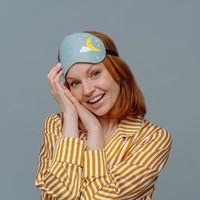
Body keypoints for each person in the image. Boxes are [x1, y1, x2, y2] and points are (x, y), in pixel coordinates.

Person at [34, 31, 173, 200]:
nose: (87, 90)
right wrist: (70, 116)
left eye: (95, 74)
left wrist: (94, 130)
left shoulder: (152, 138)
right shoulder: (57, 126)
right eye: (75, 83)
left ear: (117, 72)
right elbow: (60, 194)